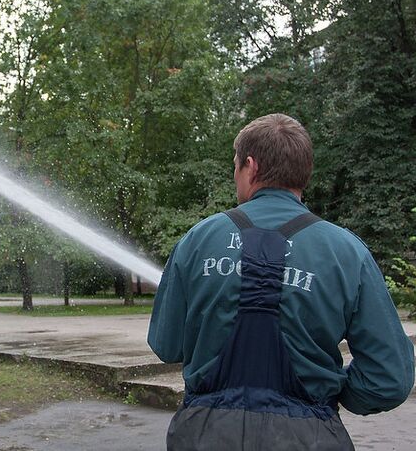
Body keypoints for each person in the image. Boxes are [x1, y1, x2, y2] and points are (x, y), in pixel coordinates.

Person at [147, 113, 414, 450]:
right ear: (304, 172)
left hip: (205, 435)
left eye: (236, 167)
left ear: (250, 166)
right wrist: (329, 395)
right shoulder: (347, 252)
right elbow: (388, 379)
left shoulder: (197, 240)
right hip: (311, 438)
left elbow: (166, 345)